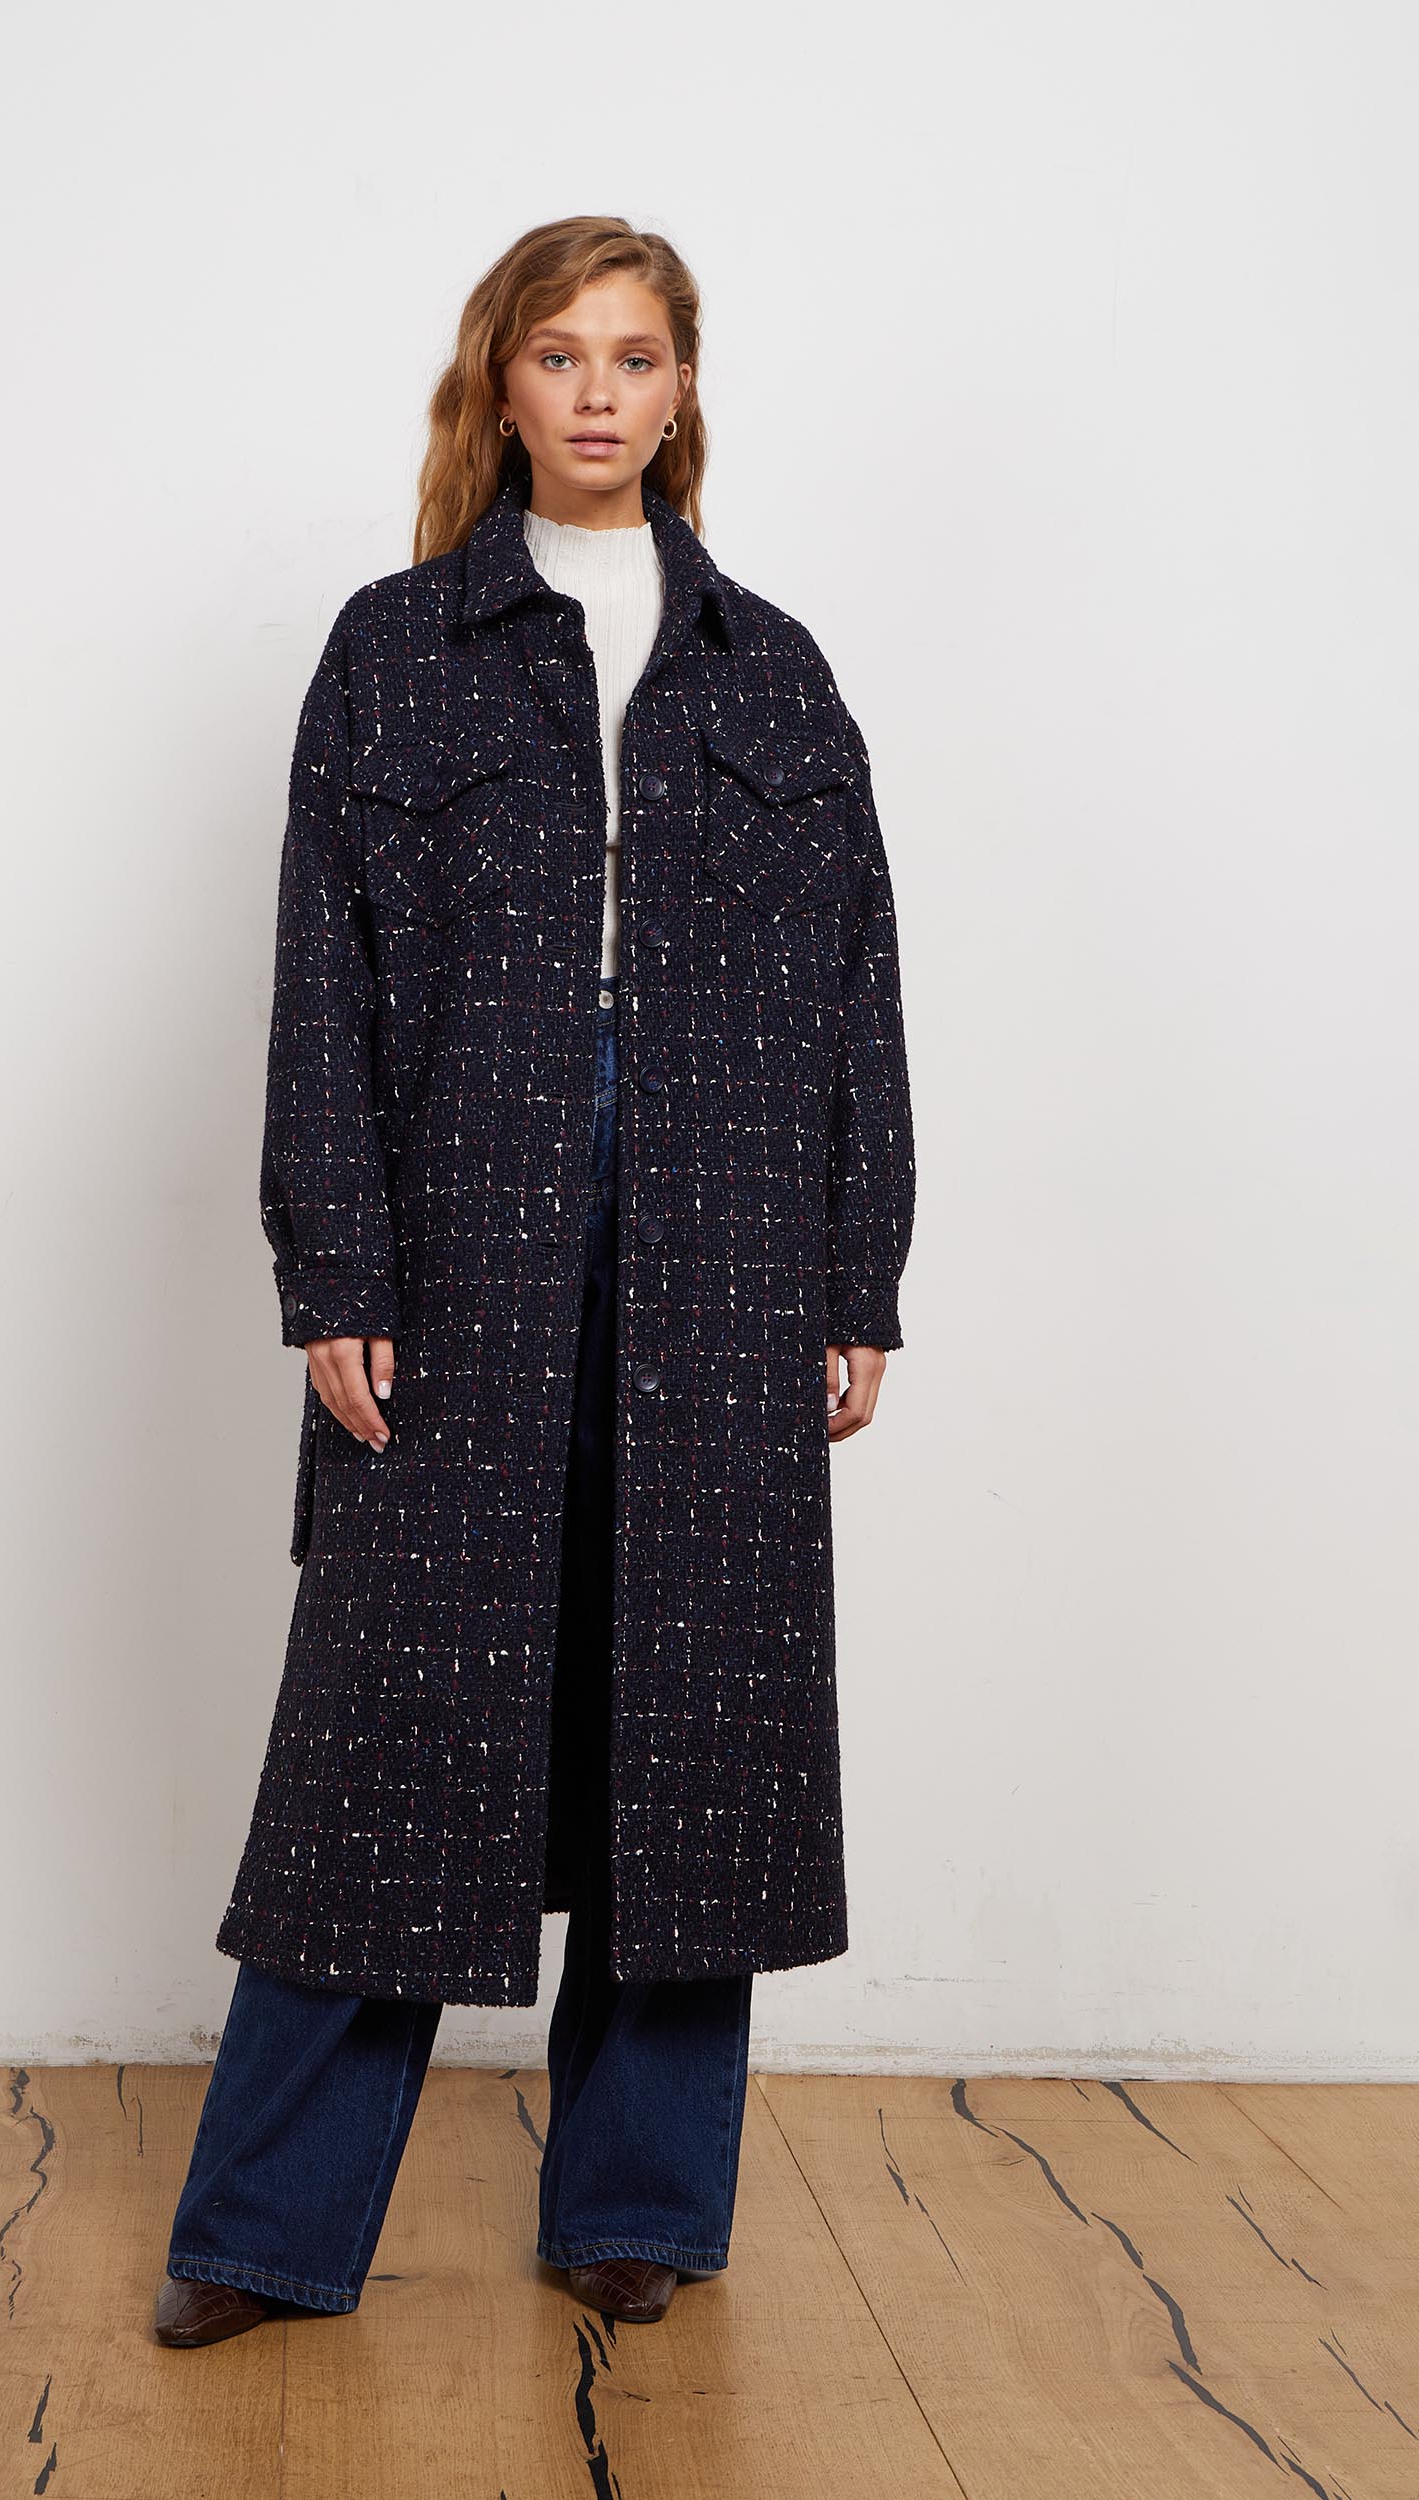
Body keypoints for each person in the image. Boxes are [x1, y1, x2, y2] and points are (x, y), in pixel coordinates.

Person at [156, 215, 915, 2349]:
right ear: (499, 382)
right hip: (462, 1201)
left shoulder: (772, 666)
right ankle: (263, 2231)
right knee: (390, 1722)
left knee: (694, 1712)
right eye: (561, 353)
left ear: (682, 393)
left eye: (636, 356)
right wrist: (334, 1262)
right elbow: (320, 978)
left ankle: (636, 2210)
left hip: (726, 1212)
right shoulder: (397, 644)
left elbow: (858, 985)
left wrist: (855, 1265)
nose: (598, 391)